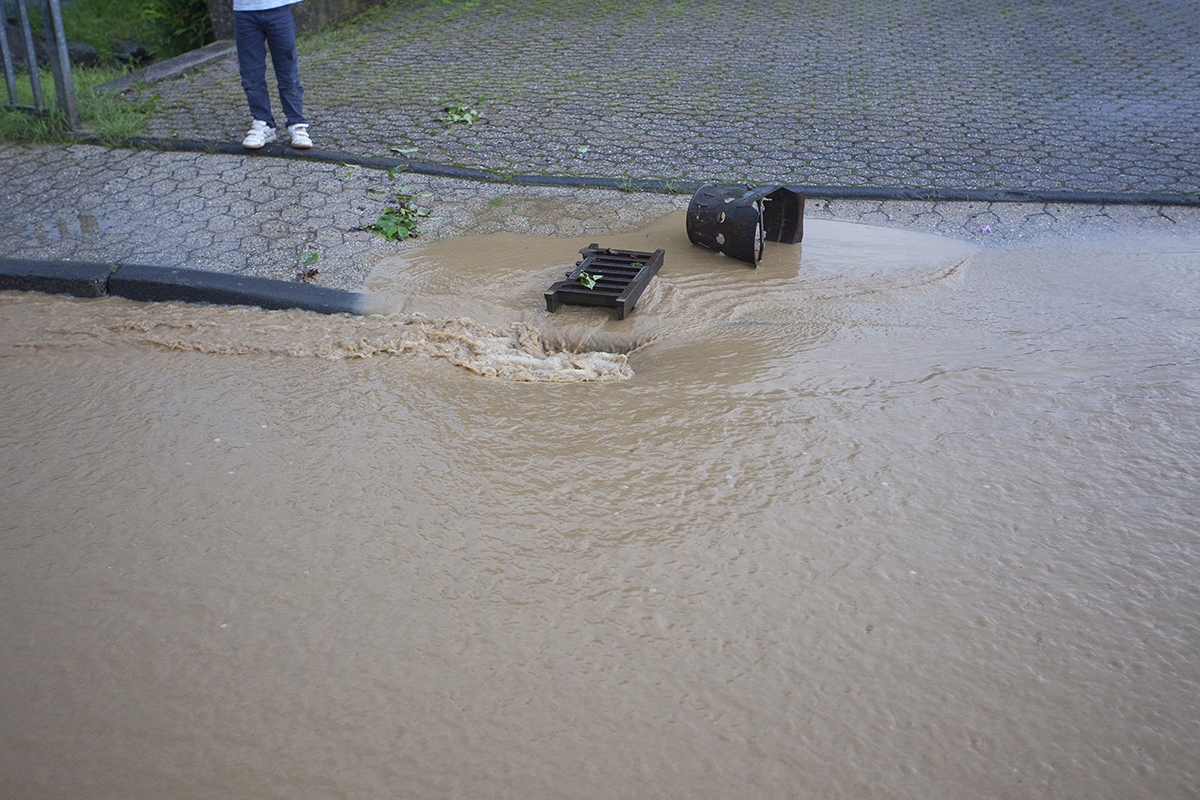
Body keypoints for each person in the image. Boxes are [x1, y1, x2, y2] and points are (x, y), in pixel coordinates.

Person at [234, 0, 312, 149]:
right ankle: (263, 123)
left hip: (279, 7)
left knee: (287, 71)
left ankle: (296, 123)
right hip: (244, 10)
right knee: (251, 74)